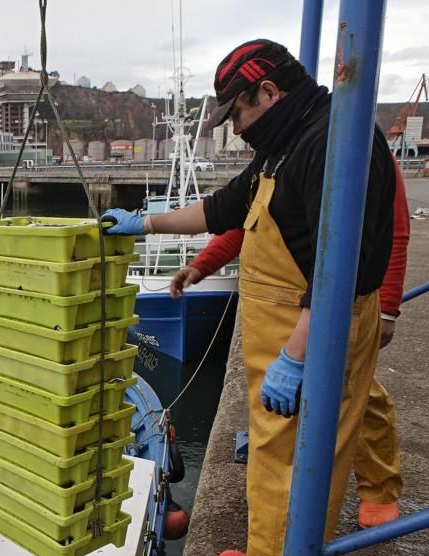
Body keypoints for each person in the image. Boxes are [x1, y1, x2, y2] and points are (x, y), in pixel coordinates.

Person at [100, 39, 396, 556]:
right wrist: (145, 223)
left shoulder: (330, 145)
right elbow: (226, 209)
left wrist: (297, 356)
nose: (234, 130)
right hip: (280, 348)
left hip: (308, 341)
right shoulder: (287, 141)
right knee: (269, 471)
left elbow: (341, 268)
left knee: (295, 475)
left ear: (268, 92)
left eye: (236, 114)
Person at [170, 156, 409, 534]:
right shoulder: (280, 151)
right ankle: (278, 540)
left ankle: (379, 489)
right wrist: (202, 265)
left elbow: (392, 231)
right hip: (287, 310)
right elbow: (247, 224)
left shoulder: (363, 148)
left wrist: (389, 309)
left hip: (339, 305)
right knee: (287, 422)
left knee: (362, 398)